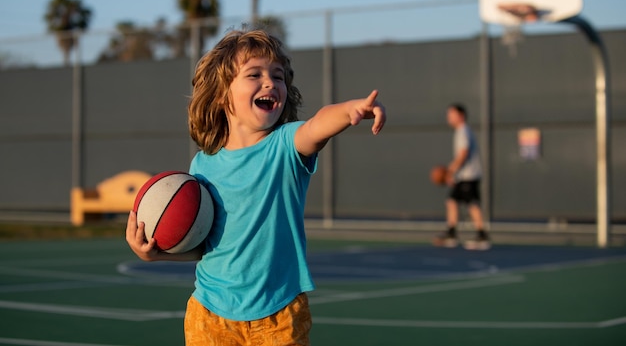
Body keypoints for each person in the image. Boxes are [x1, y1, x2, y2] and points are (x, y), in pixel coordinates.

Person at [126, 28, 386, 346]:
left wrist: (349, 111)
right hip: (210, 315)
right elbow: (208, 246)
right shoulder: (202, 167)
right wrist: (157, 253)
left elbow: (318, 124)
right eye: (254, 74)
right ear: (222, 93)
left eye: (278, 77)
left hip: (280, 316)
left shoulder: (286, 146)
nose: (270, 83)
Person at [433, 103, 490, 250]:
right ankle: (452, 233)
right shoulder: (461, 131)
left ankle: (482, 235)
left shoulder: (463, 130)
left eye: (451, 114)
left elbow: (463, 154)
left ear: (461, 115)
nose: (448, 117)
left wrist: (450, 171)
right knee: (452, 201)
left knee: (472, 204)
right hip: (463, 175)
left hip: (469, 175)